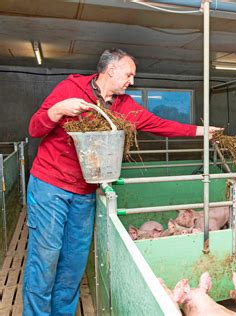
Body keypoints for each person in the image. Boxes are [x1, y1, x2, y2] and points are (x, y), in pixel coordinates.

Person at [24, 48, 222, 315]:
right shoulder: (70, 88)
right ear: (111, 70)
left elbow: (158, 124)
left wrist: (201, 131)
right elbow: (35, 129)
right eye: (129, 74)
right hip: (50, 184)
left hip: (84, 191)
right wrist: (58, 110)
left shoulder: (123, 106)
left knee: (73, 263)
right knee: (46, 258)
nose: (132, 81)